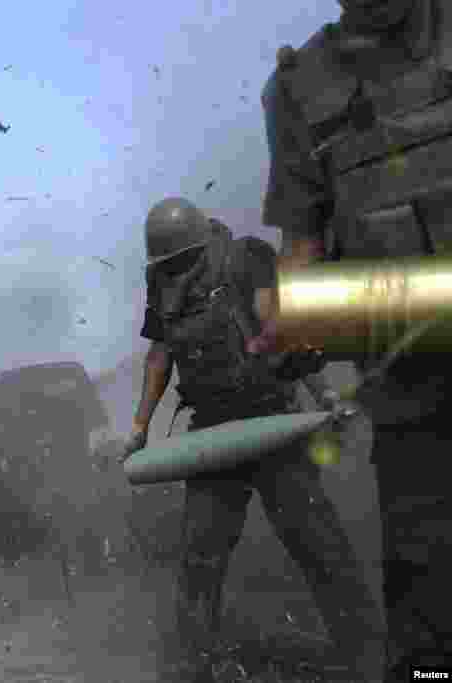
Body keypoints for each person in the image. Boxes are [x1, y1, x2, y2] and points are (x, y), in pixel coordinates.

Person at [114, 198, 384, 681]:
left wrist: (322, 396)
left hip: (271, 420)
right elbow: (160, 354)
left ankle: (368, 659)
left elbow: (279, 329)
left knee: (319, 545)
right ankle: (191, 668)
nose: (175, 270)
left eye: (181, 260)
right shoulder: (161, 282)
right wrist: (139, 427)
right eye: (167, 264)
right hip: (214, 435)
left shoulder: (245, 260)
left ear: (201, 244)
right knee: (200, 559)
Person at [261, 1, 452, 677]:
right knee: (431, 604)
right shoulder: (298, 89)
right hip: (409, 382)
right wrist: (292, 315)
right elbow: (303, 241)